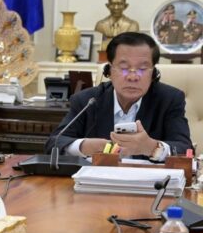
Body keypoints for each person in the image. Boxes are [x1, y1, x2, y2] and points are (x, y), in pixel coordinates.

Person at [45, 31, 192, 159]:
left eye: (142, 69)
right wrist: (84, 146)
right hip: (98, 180)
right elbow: (54, 143)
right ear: (109, 70)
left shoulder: (170, 100)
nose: (133, 77)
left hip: (151, 181)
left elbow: (185, 149)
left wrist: (152, 147)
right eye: (124, 68)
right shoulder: (88, 100)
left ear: (153, 73)